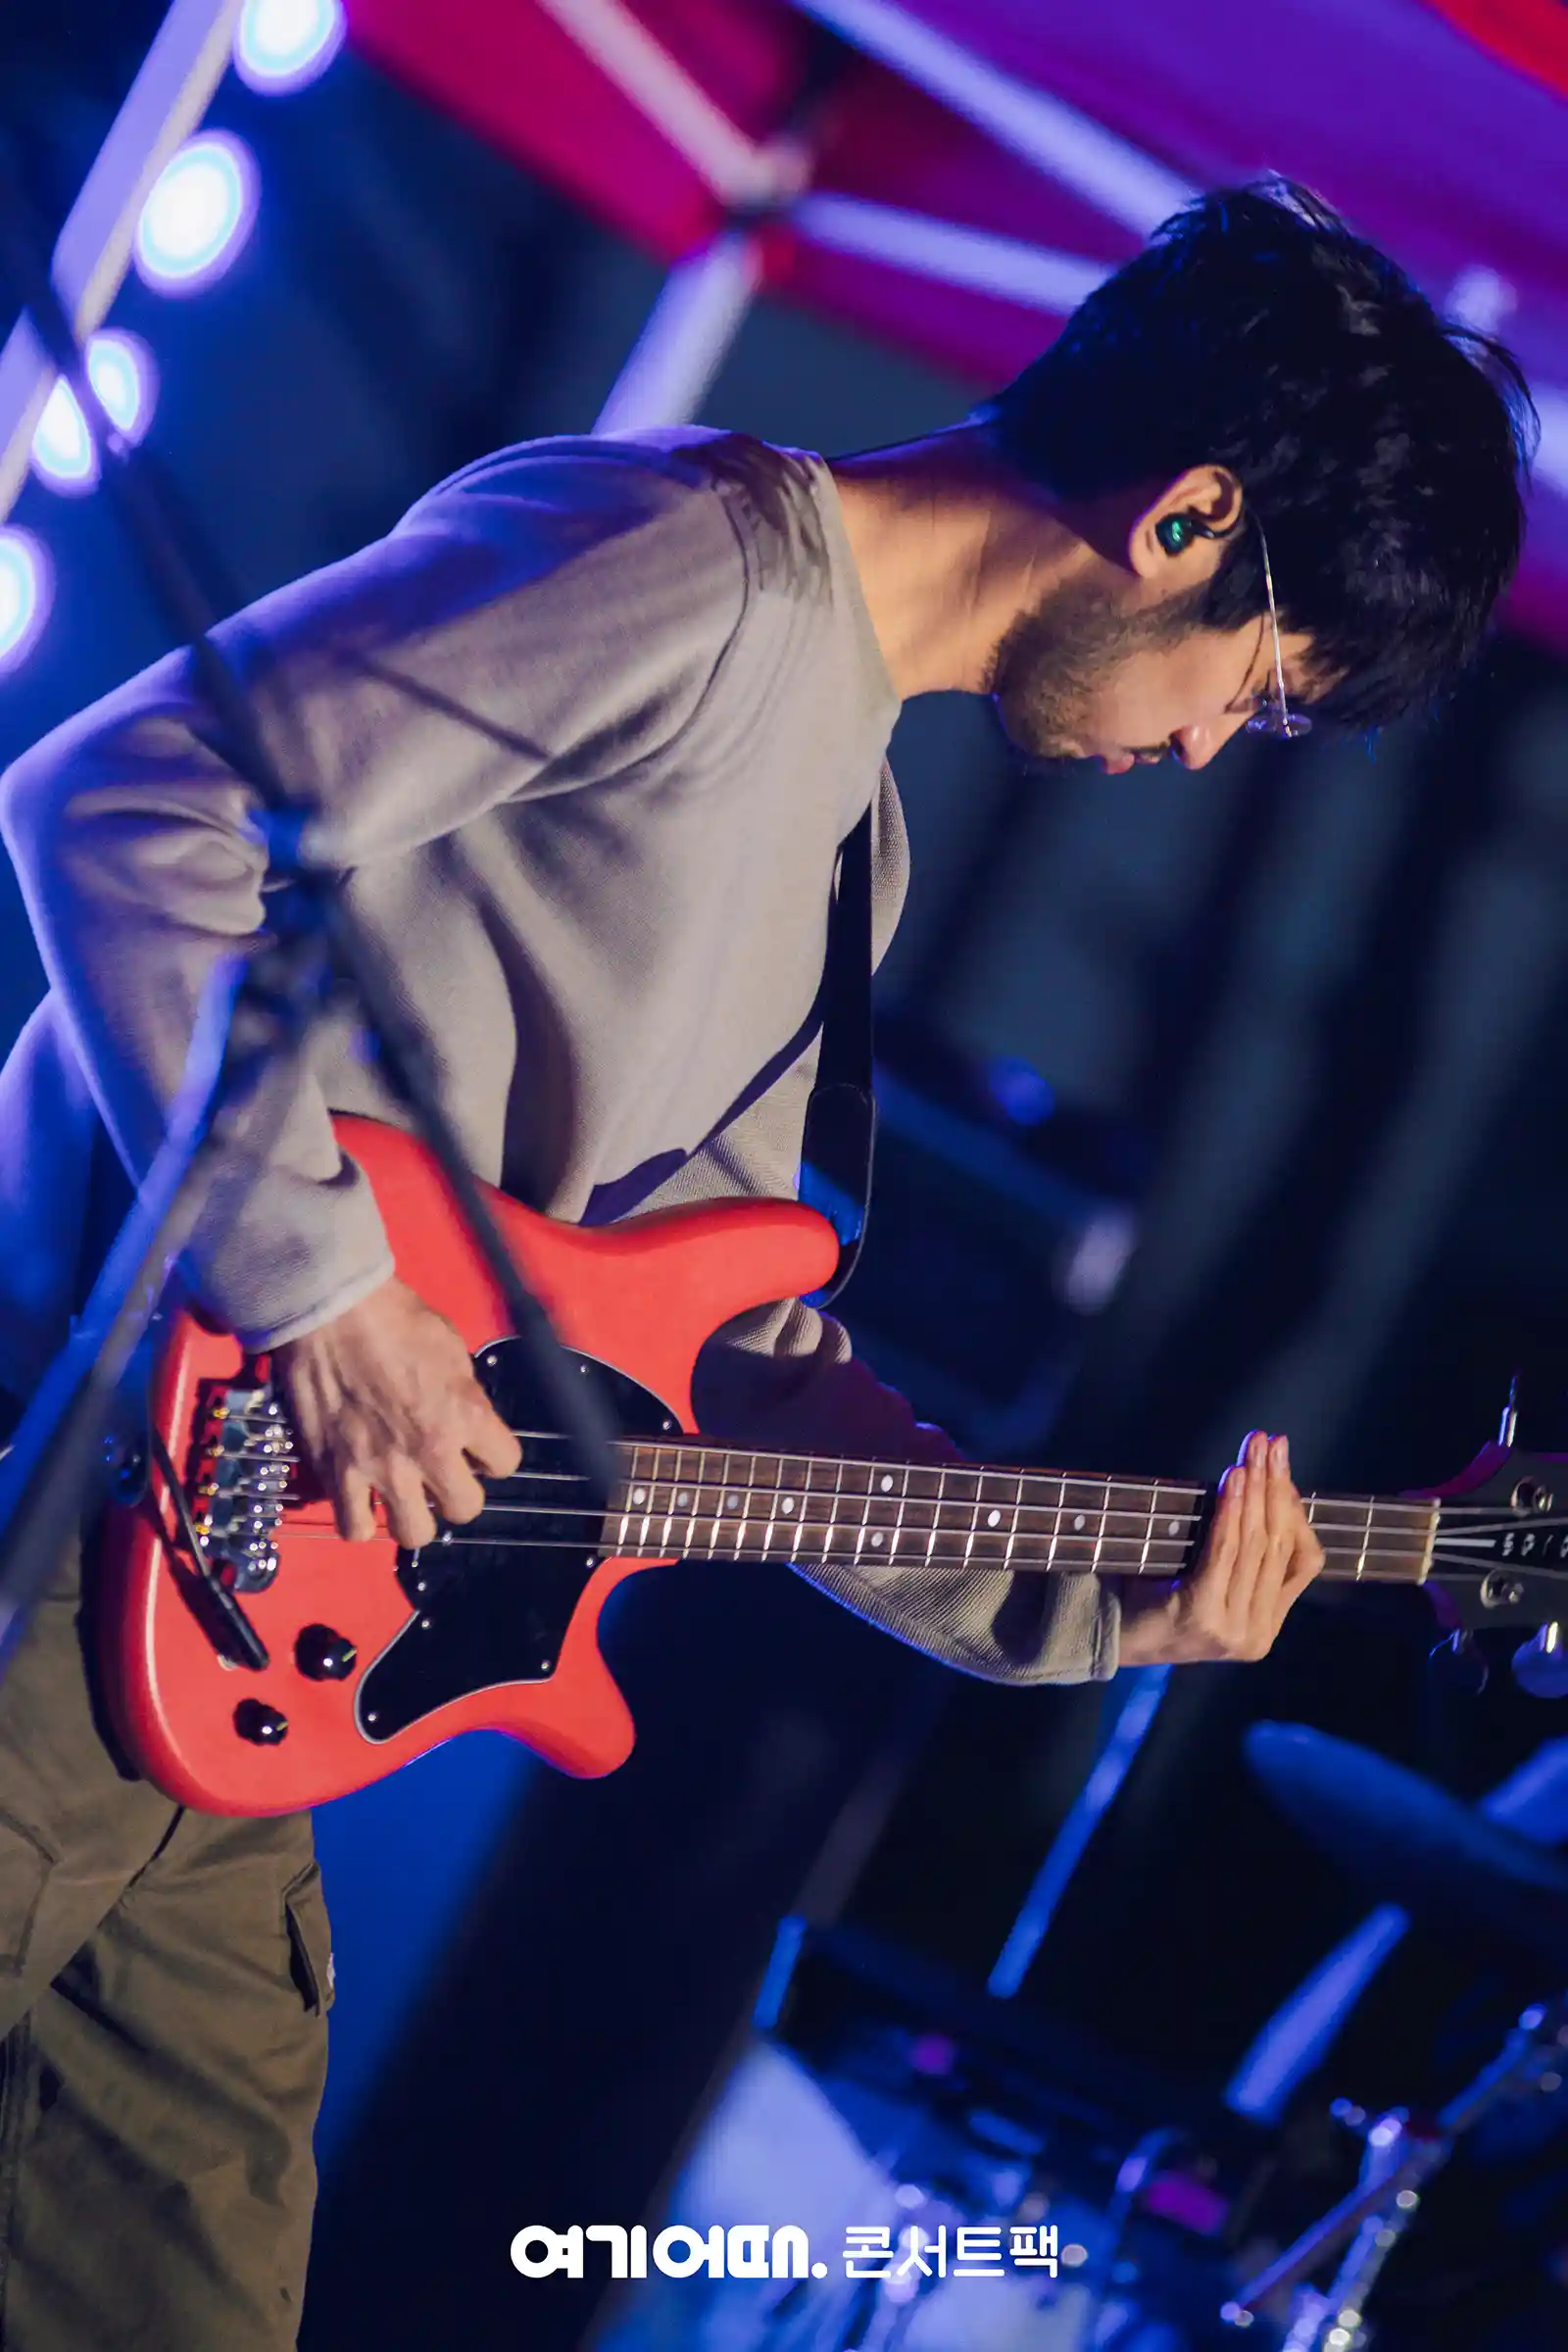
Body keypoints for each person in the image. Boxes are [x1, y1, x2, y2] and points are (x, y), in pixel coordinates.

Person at [0, 180, 1534, 2346]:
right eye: (1257, 691)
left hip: (254, 1660)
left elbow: (734, 1373)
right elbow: (120, 800)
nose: (1202, 750)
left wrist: (1111, 1606)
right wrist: (322, 1293)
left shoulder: (850, 834)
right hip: (70, 1501)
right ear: (1187, 516)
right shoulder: (691, 565)